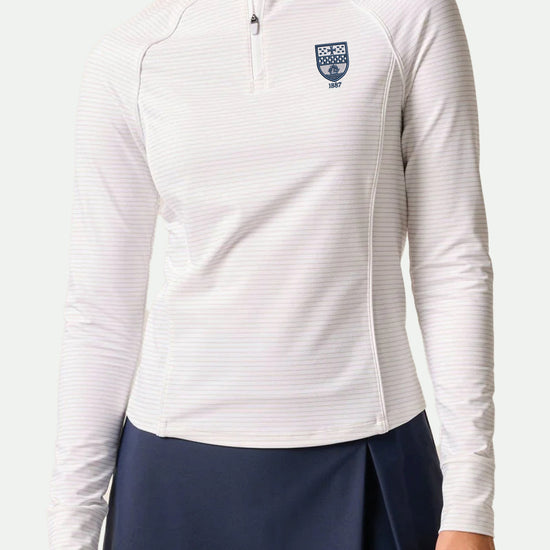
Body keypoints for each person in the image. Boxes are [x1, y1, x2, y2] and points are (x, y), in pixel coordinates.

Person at [46, 0, 496, 548]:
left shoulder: (406, 14)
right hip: (171, 476)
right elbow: (100, 309)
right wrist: (69, 532)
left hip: (368, 452)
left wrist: (470, 504)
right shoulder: (131, 52)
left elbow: (451, 259)